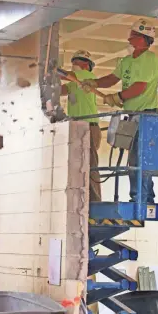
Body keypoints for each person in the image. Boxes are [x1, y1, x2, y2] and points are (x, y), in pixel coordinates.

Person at [82, 18, 158, 204]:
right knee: (135, 160)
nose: (130, 38)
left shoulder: (150, 59)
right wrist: (95, 83)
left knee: (139, 160)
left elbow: (139, 87)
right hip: (133, 116)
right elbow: (111, 78)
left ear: (144, 38)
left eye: (134, 35)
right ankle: (141, 196)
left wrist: (118, 97)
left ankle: (142, 198)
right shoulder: (126, 61)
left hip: (147, 116)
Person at [60, 50, 102, 202]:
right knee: (80, 164)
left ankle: (95, 201)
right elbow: (60, 90)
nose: (74, 65)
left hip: (89, 127)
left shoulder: (88, 78)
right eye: (73, 62)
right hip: (78, 127)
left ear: (87, 65)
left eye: (77, 62)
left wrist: (50, 70)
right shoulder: (73, 83)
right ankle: (81, 200)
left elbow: (65, 75)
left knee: (90, 165)